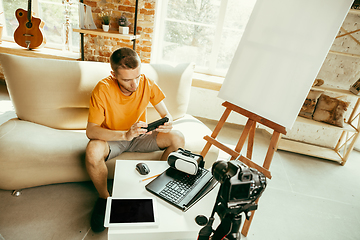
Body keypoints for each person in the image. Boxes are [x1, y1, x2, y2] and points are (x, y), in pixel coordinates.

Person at [85, 47, 185, 232]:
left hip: (140, 135)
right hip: (114, 137)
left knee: (177, 138)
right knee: (92, 151)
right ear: (113, 75)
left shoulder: (147, 83)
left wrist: (167, 123)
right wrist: (124, 134)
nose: (134, 84)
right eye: (126, 79)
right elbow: (91, 131)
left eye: (137, 76)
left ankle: (156, 188)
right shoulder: (102, 89)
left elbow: (167, 114)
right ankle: (104, 199)